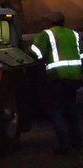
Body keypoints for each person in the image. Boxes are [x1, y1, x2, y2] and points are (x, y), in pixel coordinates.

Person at [31, 11, 83, 153]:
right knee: (71, 109)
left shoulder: (46, 34)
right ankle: (77, 141)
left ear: (50, 22)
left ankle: (65, 146)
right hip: (75, 77)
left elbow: (36, 53)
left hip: (58, 77)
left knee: (57, 110)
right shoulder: (74, 34)